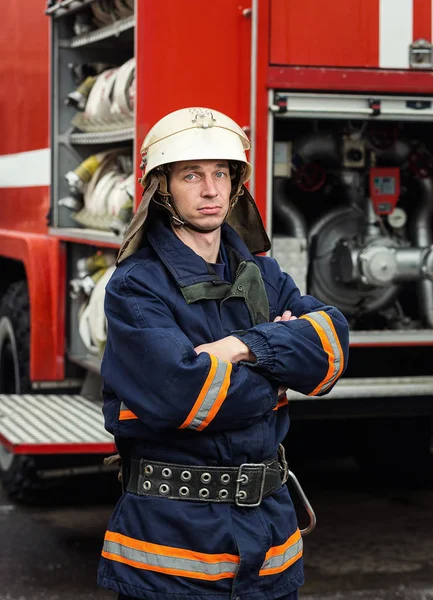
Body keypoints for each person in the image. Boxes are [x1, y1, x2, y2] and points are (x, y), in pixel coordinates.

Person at [98, 107, 349, 600]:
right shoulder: (135, 288)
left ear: (235, 183)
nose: (210, 190)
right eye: (192, 175)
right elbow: (185, 396)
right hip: (173, 547)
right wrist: (279, 372)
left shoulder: (262, 272)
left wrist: (241, 347)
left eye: (221, 173)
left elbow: (331, 346)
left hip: (272, 541)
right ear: (162, 187)